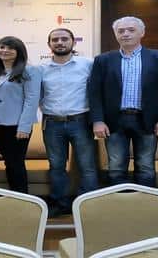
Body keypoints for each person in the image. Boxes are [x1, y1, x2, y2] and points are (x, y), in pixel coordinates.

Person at [88, 16, 158, 187]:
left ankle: (145, 202)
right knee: (115, 167)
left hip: (147, 120)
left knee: (146, 166)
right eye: (120, 31)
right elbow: (94, 93)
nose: (125, 34)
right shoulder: (103, 60)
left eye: (131, 30)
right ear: (115, 34)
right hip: (114, 121)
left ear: (142, 33)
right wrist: (97, 120)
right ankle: (119, 202)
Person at [39, 28, 98, 217]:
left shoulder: (88, 64)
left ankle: (87, 205)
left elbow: (97, 92)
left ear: (73, 42)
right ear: (49, 44)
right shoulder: (41, 69)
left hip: (81, 121)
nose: (60, 42)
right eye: (55, 39)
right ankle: (60, 203)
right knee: (56, 166)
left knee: (87, 165)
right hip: (52, 124)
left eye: (64, 39)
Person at [0, 36, 41, 194]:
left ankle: (23, 198)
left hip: (17, 127)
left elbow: (31, 100)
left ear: (19, 51)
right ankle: (14, 196)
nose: (5, 51)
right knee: (9, 163)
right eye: (2, 47)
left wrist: (24, 127)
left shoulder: (30, 71)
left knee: (16, 163)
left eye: (10, 48)